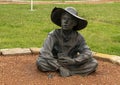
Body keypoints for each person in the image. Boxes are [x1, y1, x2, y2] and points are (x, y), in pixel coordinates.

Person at [36, 7, 98, 77]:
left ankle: (68, 72)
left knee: (93, 63)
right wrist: (59, 67)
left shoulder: (78, 37)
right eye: (64, 18)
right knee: (40, 62)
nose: (65, 22)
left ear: (74, 23)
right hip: (56, 61)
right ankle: (64, 70)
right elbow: (45, 52)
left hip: (71, 62)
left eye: (69, 19)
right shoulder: (53, 35)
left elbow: (87, 52)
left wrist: (74, 61)